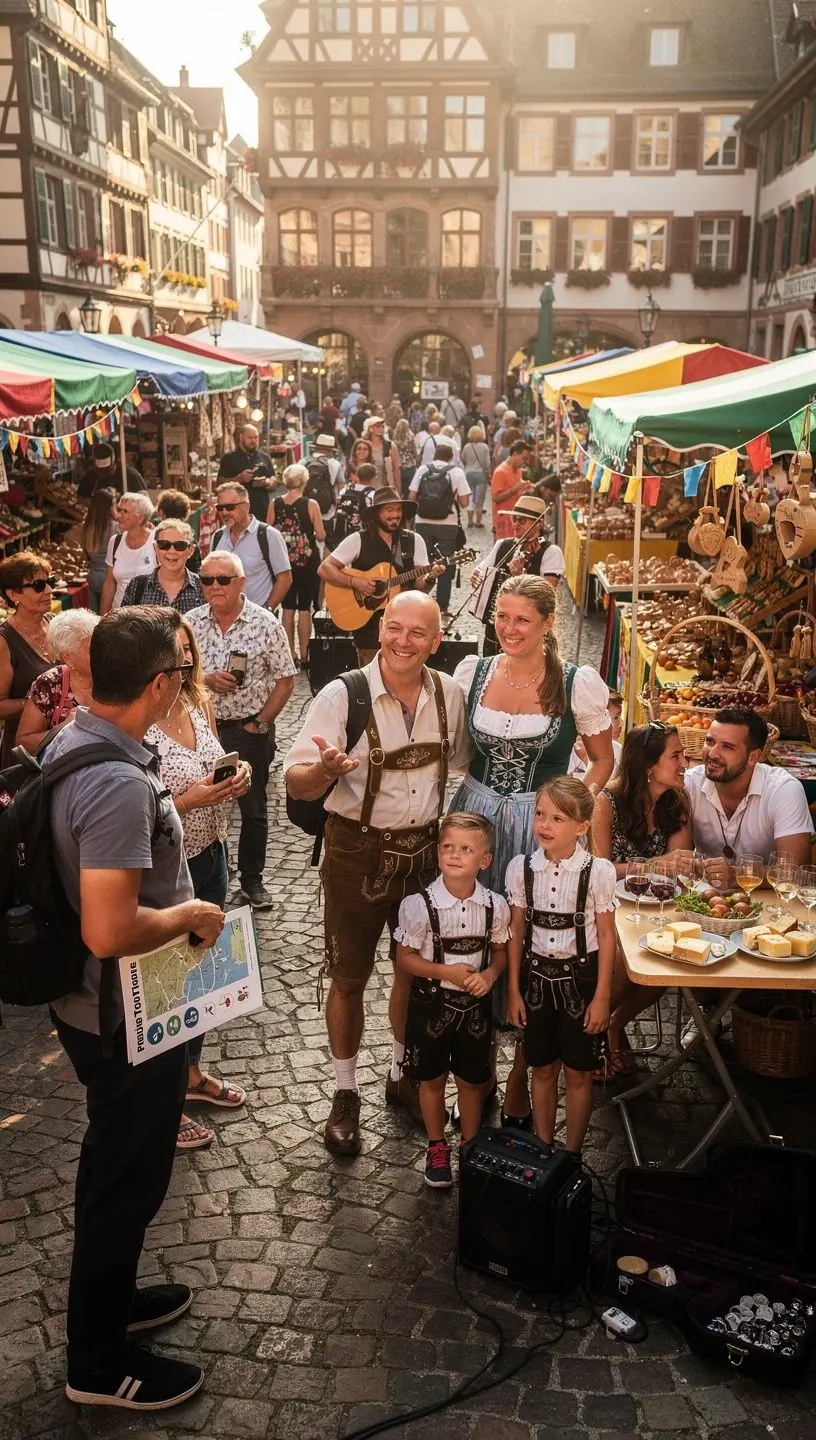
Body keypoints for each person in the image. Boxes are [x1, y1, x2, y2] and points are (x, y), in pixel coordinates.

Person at [44, 605, 225, 1410]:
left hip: (103, 1006)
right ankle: (98, 1364)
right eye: (178, 674)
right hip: (120, 1013)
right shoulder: (116, 779)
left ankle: (112, 1304)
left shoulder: (86, 738)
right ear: (160, 683)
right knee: (127, 1177)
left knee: (115, 1165)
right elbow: (111, 925)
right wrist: (189, 916)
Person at [284, 592, 470, 1156]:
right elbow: (294, 782)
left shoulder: (450, 695)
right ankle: (345, 1092)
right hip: (355, 853)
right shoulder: (345, 693)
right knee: (348, 977)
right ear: (380, 627)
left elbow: (459, 765)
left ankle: (401, 1075)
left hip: (421, 853)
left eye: (418, 632)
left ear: (435, 641)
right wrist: (325, 769)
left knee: (413, 974)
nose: (403, 641)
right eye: (395, 628)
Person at [452, 574, 615, 1125]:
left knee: (537, 950)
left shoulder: (575, 682)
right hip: (474, 816)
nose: (509, 628)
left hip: (536, 821)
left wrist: (569, 813)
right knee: (471, 943)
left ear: (549, 623)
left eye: (522, 619)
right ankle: (475, 1077)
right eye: (502, 616)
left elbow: (602, 762)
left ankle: (523, 1076)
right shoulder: (473, 671)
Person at [145, 620, 250, 1153]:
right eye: (174, 657)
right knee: (166, 982)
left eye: (189, 654)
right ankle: (164, 1105)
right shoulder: (139, 721)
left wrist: (238, 774)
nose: (184, 665)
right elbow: (148, 809)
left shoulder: (197, 702)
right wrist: (191, 802)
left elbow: (212, 763)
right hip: (168, 870)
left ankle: (189, 1074)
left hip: (212, 855)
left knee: (201, 979)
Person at [396, 813, 510, 1186]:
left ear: (485, 860)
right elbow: (406, 959)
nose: (455, 855)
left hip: (474, 1010)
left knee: (472, 1080)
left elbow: (500, 954)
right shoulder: (418, 905)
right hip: (431, 1006)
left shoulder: (495, 906)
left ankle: (470, 1144)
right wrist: (447, 973)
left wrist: (489, 977)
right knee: (432, 1079)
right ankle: (436, 1144)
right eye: (448, 846)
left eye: (466, 849)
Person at [507, 777, 616, 1160]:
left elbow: (607, 936)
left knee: (579, 1072)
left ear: (582, 827)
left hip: (581, 980)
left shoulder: (599, 872)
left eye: (557, 818)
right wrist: (513, 991)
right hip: (536, 980)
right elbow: (515, 932)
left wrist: (602, 997)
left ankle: (570, 1155)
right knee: (541, 1067)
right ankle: (542, 1146)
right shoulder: (521, 868)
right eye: (540, 815)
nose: (545, 825)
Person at [188, 551, 296, 910]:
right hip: (199, 733)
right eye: (207, 580)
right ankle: (213, 874)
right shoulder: (188, 624)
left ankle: (252, 881)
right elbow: (175, 672)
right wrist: (204, 679)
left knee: (253, 810)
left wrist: (260, 724)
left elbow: (286, 679)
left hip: (246, 731)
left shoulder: (265, 624)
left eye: (223, 580)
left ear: (241, 583)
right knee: (202, 806)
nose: (214, 587)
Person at [591, 721, 692, 1075]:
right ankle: (594, 1031)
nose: (685, 763)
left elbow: (679, 867)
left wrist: (682, 866)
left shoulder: (677, 802)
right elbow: (600, 871)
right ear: (649, 765)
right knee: (620, 956)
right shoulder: (606, 803)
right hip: (607, 908)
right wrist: (654, 864)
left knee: (667, 960)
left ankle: (615, 1026)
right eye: (676, 756)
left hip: (654, 908)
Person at [684, 707, 813, 882]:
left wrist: (736, 875)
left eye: (727, 747)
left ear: (753, 757)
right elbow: (679, 862)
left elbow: (793, 872)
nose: (713, 754)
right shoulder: (690, 783)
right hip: (702, 897)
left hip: (768, 901)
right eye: (710, 741)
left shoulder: (783, 789)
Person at [319, 485, 440, 665]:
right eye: (389, 510)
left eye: (398, 509)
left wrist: (430, 577)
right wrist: (354, 581)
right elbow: (325, 568)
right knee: (371, 682)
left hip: (406, 628)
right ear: (376, 514)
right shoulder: (358, 540)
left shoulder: (414, 541)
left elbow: (420, 587)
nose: (395, 515)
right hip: (368, 628)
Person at [471, 496, 565, 655]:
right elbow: (482, 570)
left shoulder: (550, 552)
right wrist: (476, 576)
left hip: (529, 630)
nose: (515, 524)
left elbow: (549, 593)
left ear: (538, 524)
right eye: (514, 519)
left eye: (522, 521)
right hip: (496, 628)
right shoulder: (503, 545)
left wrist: (521, 576)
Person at [17, 608, 97, 753]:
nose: (102, 652)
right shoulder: (49, 683)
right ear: (68, 657)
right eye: (93, 649)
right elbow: (23, 741)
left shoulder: (112, 674)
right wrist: (66, 729)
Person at [0, 551, 54, 763]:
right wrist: (42, 703)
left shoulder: (53, 622)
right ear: (14, 595)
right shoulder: (5, 641)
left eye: (50, 582)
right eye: (39, 586)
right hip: (25, 755)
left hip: (58, 747)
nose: (49, 590)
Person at [272, 462, 325, 666]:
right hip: (307, 562)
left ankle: (289, 655)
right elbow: (320, 534)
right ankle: (305, 655)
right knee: (305, 608)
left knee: (287, 608)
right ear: (304, 481)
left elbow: (270, 532)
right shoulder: (310, 504)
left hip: (283, 562)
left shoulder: (275, 503)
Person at [409, 441, 471, 617]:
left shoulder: (422, 470)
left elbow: (412, 496)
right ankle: (442, 608)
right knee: (445, 564)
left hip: (422, 522)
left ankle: (418, 603)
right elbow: (465, 503)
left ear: (434, 455)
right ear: (451, 457)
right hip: (448, 525)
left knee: (421, 564)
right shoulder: (457, 472)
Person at [210, 482, 292, 611]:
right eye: (220, 508)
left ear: (246, 506)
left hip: (257, 619)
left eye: (230, 507)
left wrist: (267, 610)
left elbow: (285, 578)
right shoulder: (218, 537)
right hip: (223, 618)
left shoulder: (268, 535)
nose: (224, 512)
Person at [121, 520, 203, 614]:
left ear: (190, 551)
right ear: (155, 548)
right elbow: (123, 626)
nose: (171, 551)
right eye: (164, 544)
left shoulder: (203, 587)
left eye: (179, 545)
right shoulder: (137, 586)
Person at [100, 493, 156, 614]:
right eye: (119, 510)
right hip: (119, 617)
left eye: (125, 511)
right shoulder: (115, 541)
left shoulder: (155, 542)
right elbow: (109, 584)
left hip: (149, 618)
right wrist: (102, 619)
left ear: (140, 518)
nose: (119, 516)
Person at [217, 423, 277, 522]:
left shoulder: (264, 457)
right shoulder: (229, 458)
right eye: (250, 437)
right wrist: (238, 479)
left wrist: (266, 482)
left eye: (256, 437)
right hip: (237, 514)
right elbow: (219, 483)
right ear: (241, 438)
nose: (253, 441)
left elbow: (274, 482)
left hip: (262, 512)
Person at [570, 692, 623, 778]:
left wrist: (587, 760)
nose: (621, 724)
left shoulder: (618, 750)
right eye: (616, 717)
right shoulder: (572, 750)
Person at [80, 488, 118, 603]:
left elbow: (85, 553)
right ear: (110, 507)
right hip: (110, 577)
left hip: (92, 577)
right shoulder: (116, 527)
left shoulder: (86, 527)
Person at [304, 435, 343, 544]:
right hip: (327, 512)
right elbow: (341, 489)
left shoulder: (303, 462)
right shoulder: (335, 464)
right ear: (330, 450)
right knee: (327, 544)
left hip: (306, 509)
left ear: (316, 447)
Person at [491, 441, 534, 540]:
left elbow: (517, 485)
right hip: (503, 522)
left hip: (514, 520)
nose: (525, 462)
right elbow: (496, 498)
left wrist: (525, 486)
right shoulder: (500, 472)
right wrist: (516, 488)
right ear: (515, 454)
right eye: (524, 458)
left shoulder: (517, 470)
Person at [77, 441, 146, 499]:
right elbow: (80, 498)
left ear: (114, 462)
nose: (103, 473)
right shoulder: (89, 477)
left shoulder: (130, 475)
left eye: (107, 470)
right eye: (100, 470)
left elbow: (144, 502)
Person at [332, 461, 377, 545]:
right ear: (373, 478)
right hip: (362, 533)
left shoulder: (346, 489)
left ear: (358, 476)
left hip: (344, 531)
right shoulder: (371, 494)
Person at [461, 425, 492, 529]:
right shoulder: (484, 447)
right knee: (480, 499)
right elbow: (487, 463)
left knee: (470, 497)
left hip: (468, 473)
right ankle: (478, 522)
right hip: (481, 474)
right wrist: (489, 473)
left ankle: (470, 520)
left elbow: (463, 458)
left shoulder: (466, 446)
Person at [362, 415, 399, 488]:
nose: (381, 428)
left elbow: (396, 470)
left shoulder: (390, 446)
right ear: (370, 429)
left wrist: (398, 490)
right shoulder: (364, 446)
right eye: (378, 426)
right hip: (368, 489)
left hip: (386, 489)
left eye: (382, 426)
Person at [392, 417, 419, 499]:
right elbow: (415, 450)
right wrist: (417, 461)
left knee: (399, 488)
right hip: (409, 466)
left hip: (398, 466)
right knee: (409, 489)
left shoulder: (394, 435)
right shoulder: (411, 435)